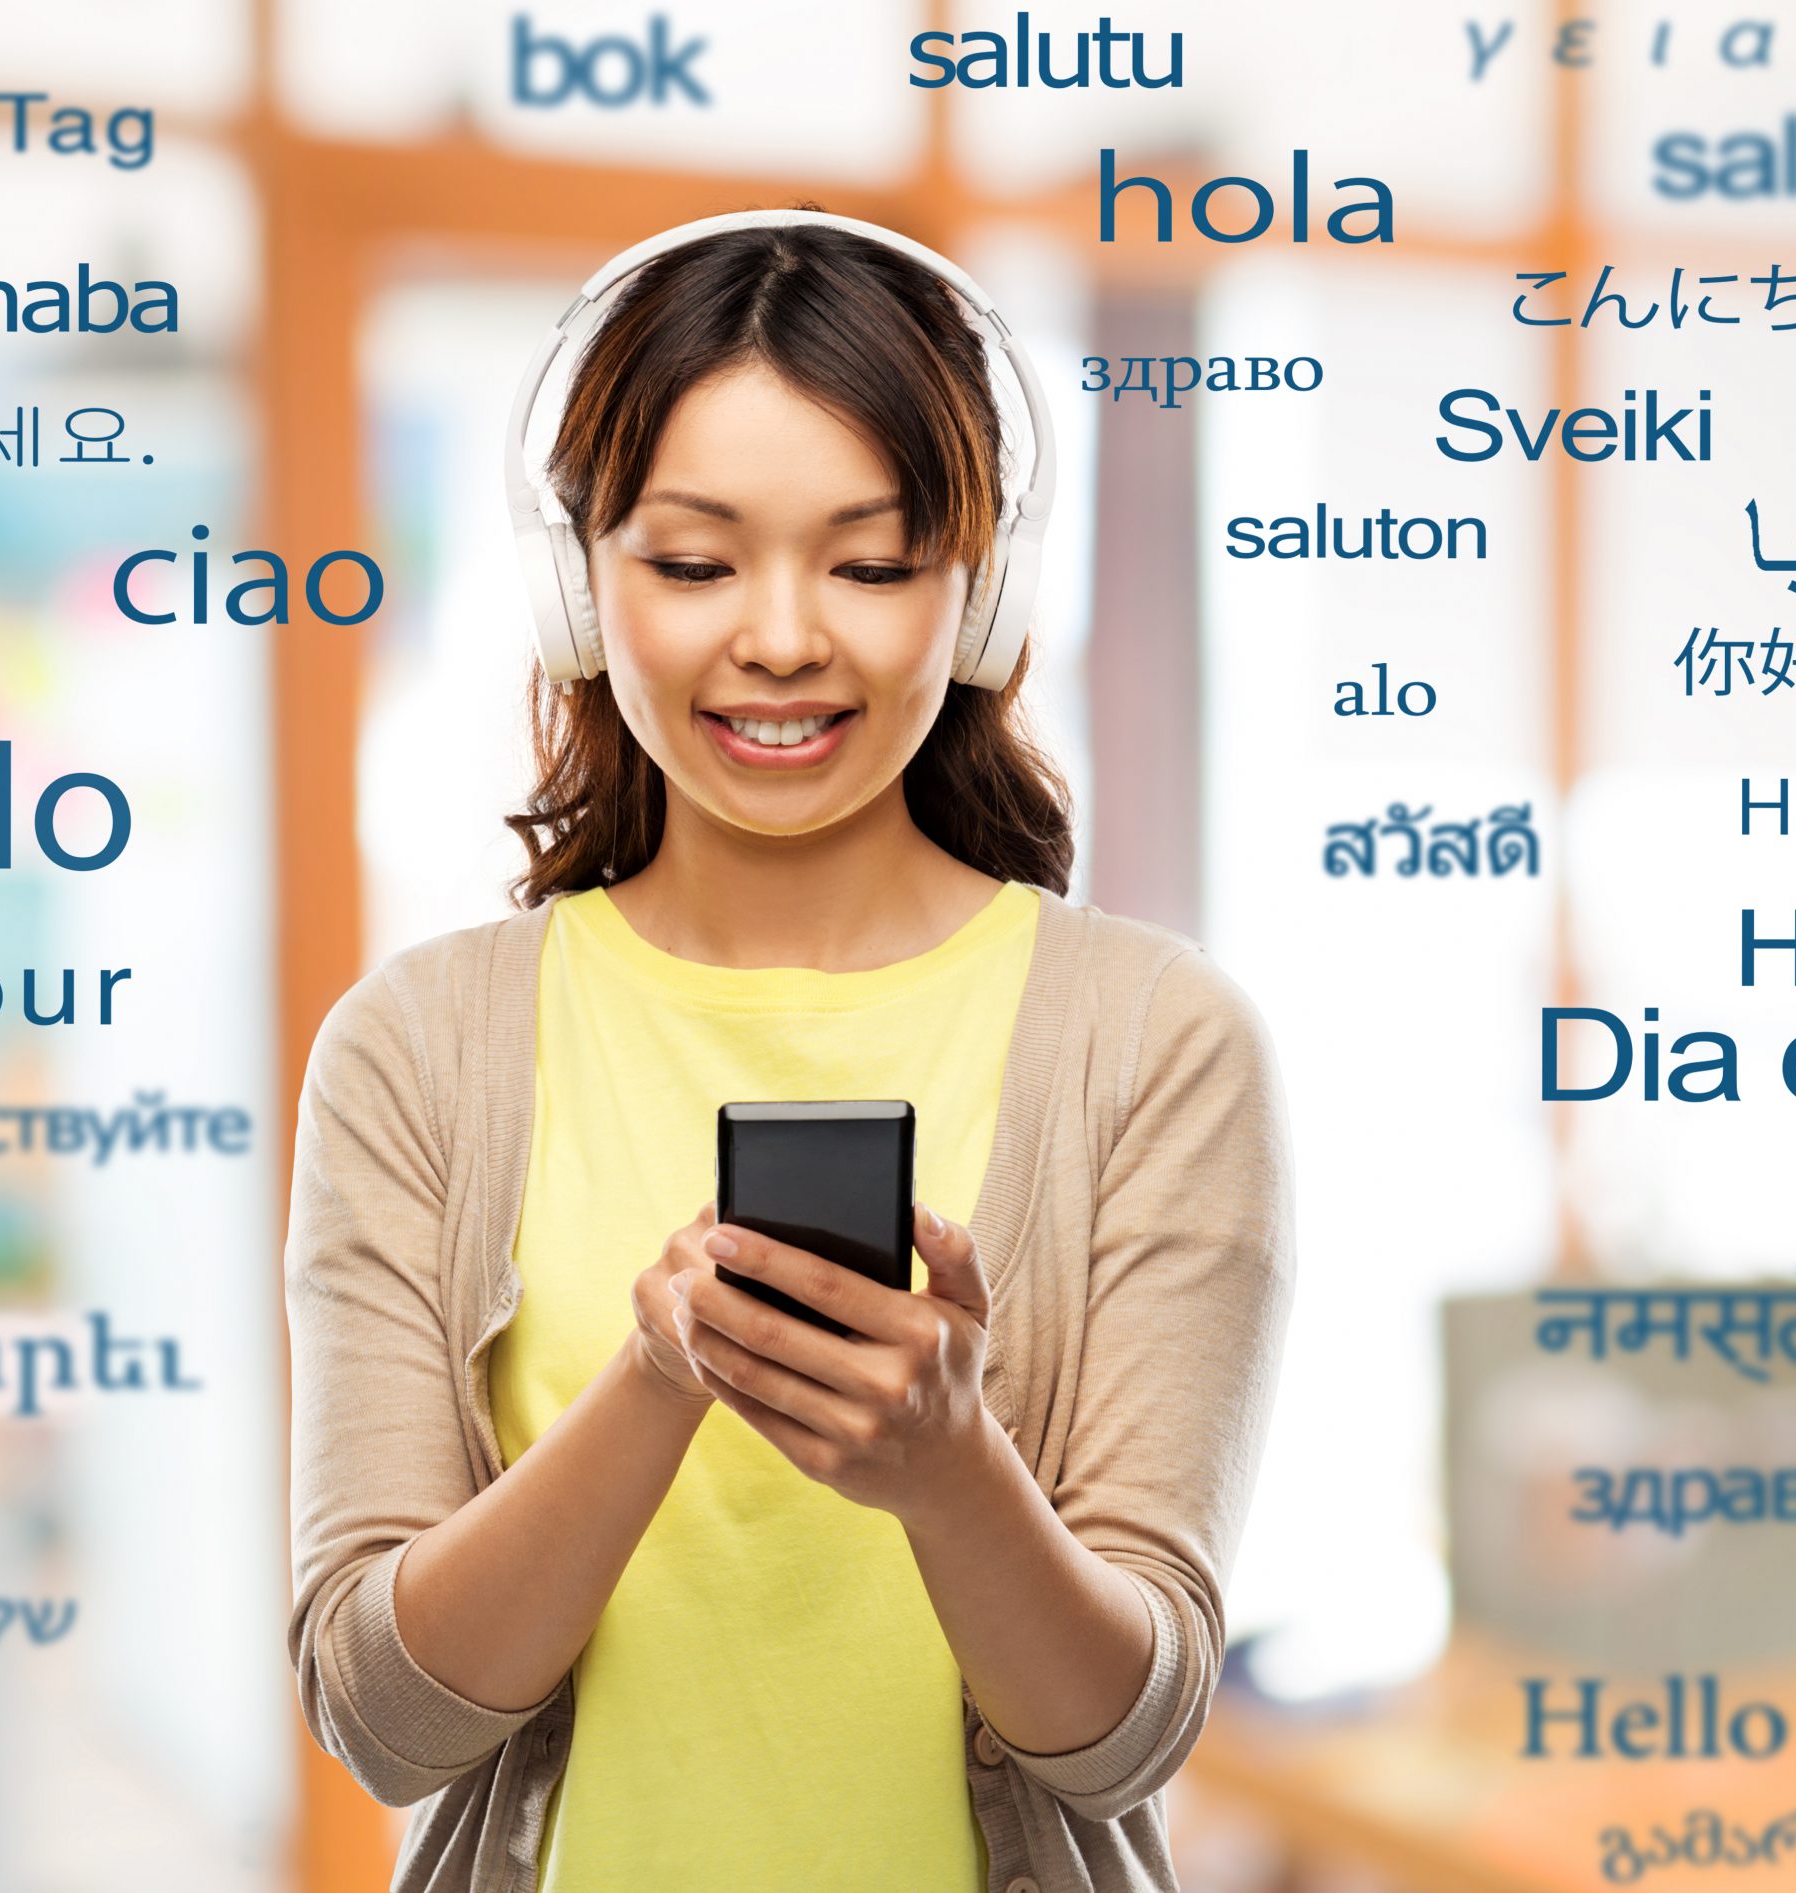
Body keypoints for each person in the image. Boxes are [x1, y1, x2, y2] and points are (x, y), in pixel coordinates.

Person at [283, 209, 1295, 1893]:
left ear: (979, 597)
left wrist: (954, 1472)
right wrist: (663, 1376)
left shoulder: (1157, 1047)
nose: (780, 636)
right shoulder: (416, 1053)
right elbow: (384, 1719)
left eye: (872, 562)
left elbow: (1129, 1737)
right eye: (692, 561)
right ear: (579, 584)